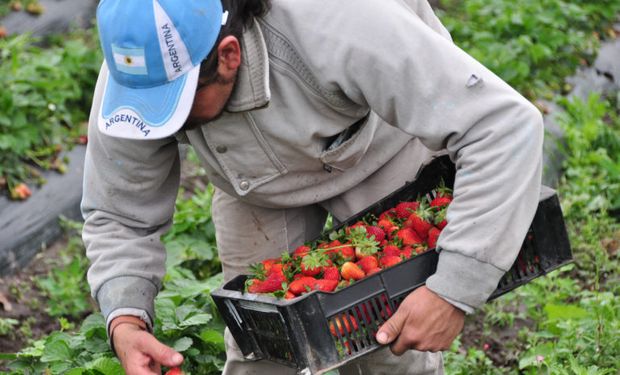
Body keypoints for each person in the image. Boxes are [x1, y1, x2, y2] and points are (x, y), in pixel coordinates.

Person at [82, 0, 544, 374]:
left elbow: (502, 125)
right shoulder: (140, 73)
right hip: (255, 185)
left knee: (387, 343)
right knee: (262, 349)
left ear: (227, 55)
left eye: (178, 104)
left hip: (376, 147)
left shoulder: (342, 20)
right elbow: (119, 212)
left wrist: (452, 291)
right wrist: (125, 318)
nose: (164, 120)